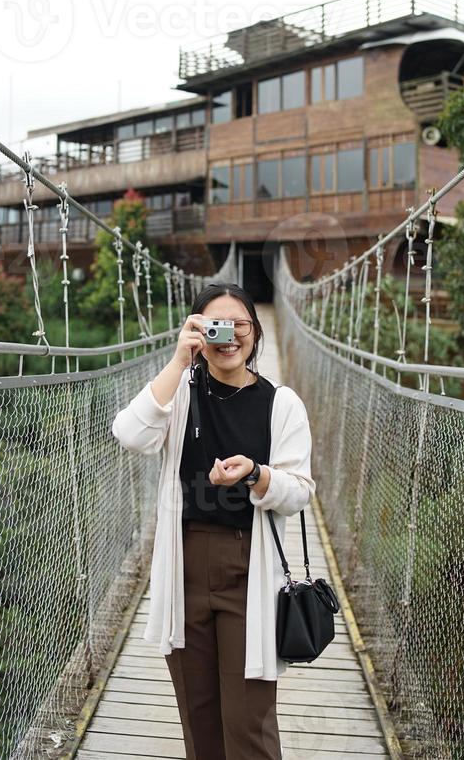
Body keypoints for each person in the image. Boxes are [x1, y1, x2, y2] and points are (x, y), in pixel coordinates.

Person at [112, 282, 316, 760]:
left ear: (255, 332)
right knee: (198, 718)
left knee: (247, 723)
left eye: (238, 324)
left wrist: (257, 474)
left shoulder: (281, 403)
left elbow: (300, 491)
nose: (228, 336)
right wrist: (179, 361)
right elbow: (129, 434)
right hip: (184, 564)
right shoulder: (179, 394)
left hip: (250, 566)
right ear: (196, 332)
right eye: (213, 325)